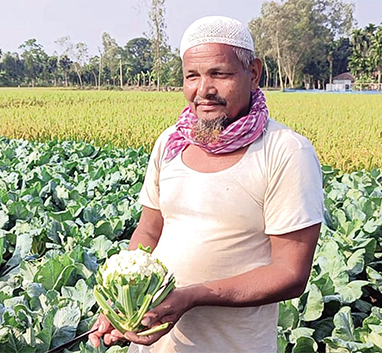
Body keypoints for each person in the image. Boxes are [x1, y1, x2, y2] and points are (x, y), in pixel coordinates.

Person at [89, 15, 324, 352]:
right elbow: (148, 232)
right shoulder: (171, 142)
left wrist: (193, 296)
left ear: (253, 73)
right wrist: (120, 299)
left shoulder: (285, 151)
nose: (203, 90)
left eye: (219, 74)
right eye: (192, 76)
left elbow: (290, 273)